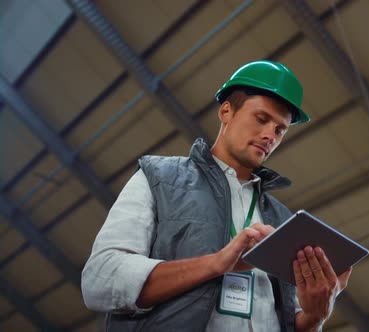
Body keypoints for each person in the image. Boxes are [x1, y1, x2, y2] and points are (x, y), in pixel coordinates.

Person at [81, 60, 353, 332]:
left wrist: (315, 316)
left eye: (280, 129)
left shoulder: (283, 221)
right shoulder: (159, 178)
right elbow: (100, 279)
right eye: (261, 119)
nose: (270, 134)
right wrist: (216, 264)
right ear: (226, 111)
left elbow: (289, 321)